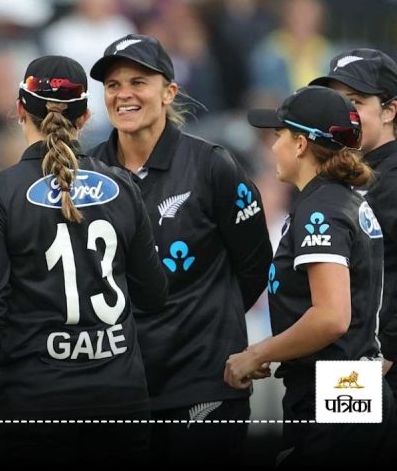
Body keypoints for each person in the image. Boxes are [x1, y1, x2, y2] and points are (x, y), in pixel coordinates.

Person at [0, 55, 168, 467]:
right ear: (84, 117)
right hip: (120, 402)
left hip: (35, 403)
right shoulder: (123, 185)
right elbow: (154, 295)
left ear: (18, 109)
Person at [88, 34, 272, 465]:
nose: (124, 94)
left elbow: (255, 264)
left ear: (169, 92)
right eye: (113, 86)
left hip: (202, 381)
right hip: (117, 386)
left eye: (138, 82)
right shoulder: (86, 172)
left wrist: (205, 318)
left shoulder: (213, 165)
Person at [226, 85, 396, 466]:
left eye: (279, 136)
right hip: (353, 381)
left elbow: (331, 317)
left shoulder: (322, 210)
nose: (272, 147)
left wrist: (257, 353)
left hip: (336, 384)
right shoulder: (342, 199)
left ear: (301, 144)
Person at [309, 49, 397, 395]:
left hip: (376, 365)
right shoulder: (346, 175)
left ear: (390, 110)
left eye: (356, 102)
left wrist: (389, 348)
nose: (346, 115)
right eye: (337, 102)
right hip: (349, 357)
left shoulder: (391, 179)